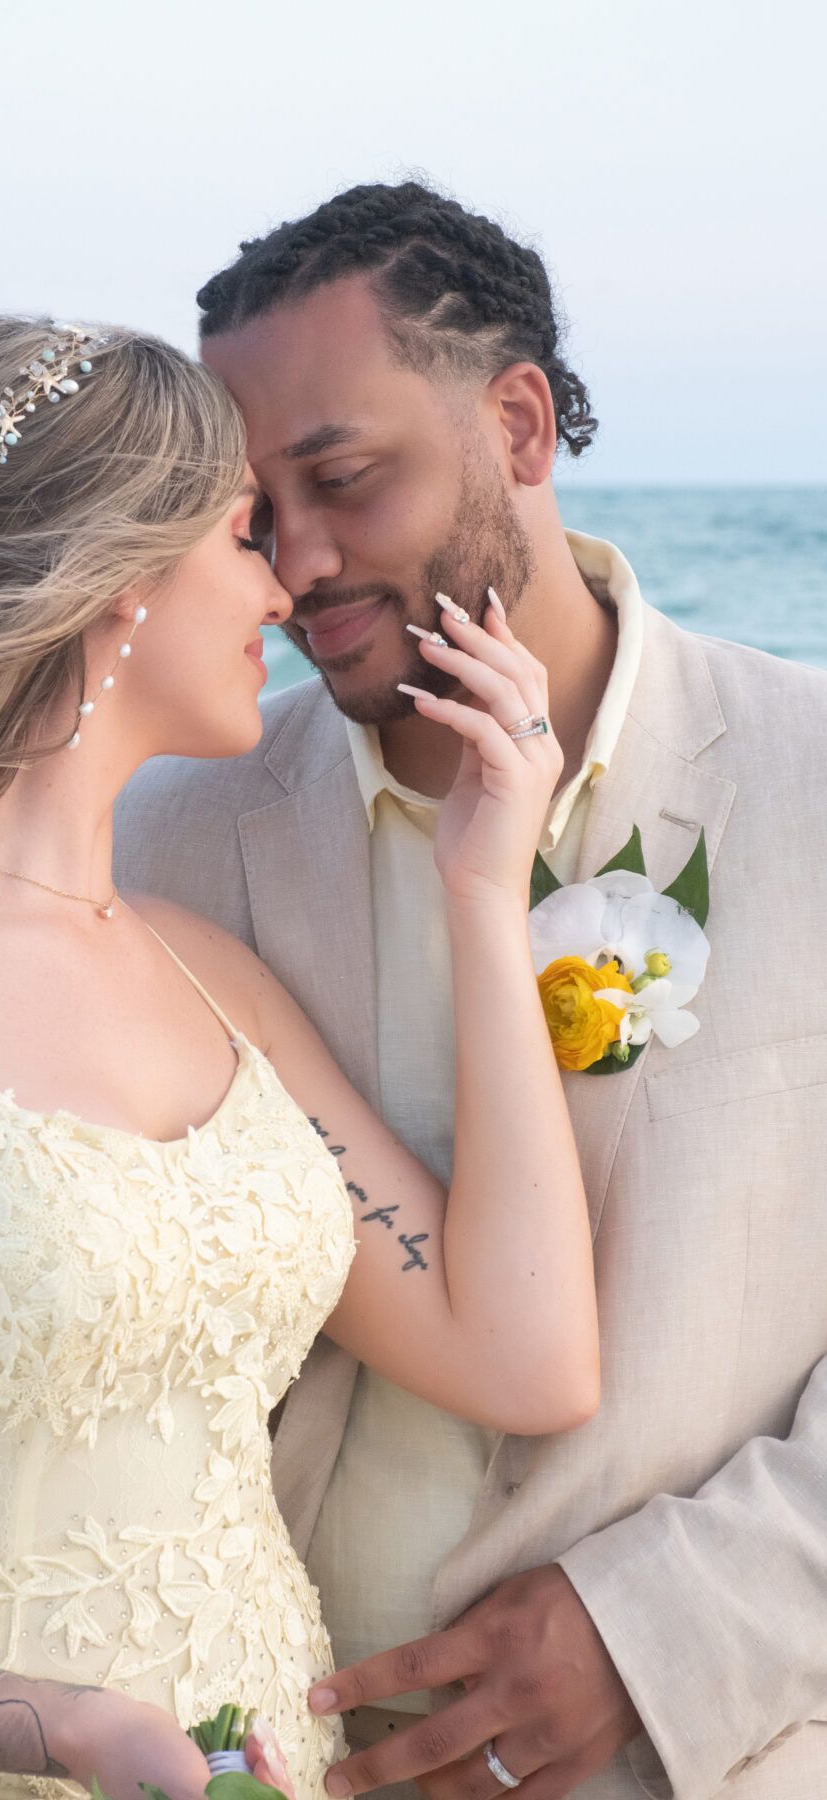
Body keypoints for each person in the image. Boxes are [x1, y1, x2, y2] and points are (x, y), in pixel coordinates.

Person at [0, 315, 597, 1800]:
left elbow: (524, 1355)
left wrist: (484, 892)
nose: (282, 588)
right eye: (238, 536)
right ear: (112, 580)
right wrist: (67, 1731)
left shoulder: (210, 981)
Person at [108, 183, 827, 1800]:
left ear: (516, 423)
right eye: (248, 516)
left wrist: (661, 1630)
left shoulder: (816, 781)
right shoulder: (170, 833)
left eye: (342, 481)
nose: (296, 565)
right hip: (262, 1757)